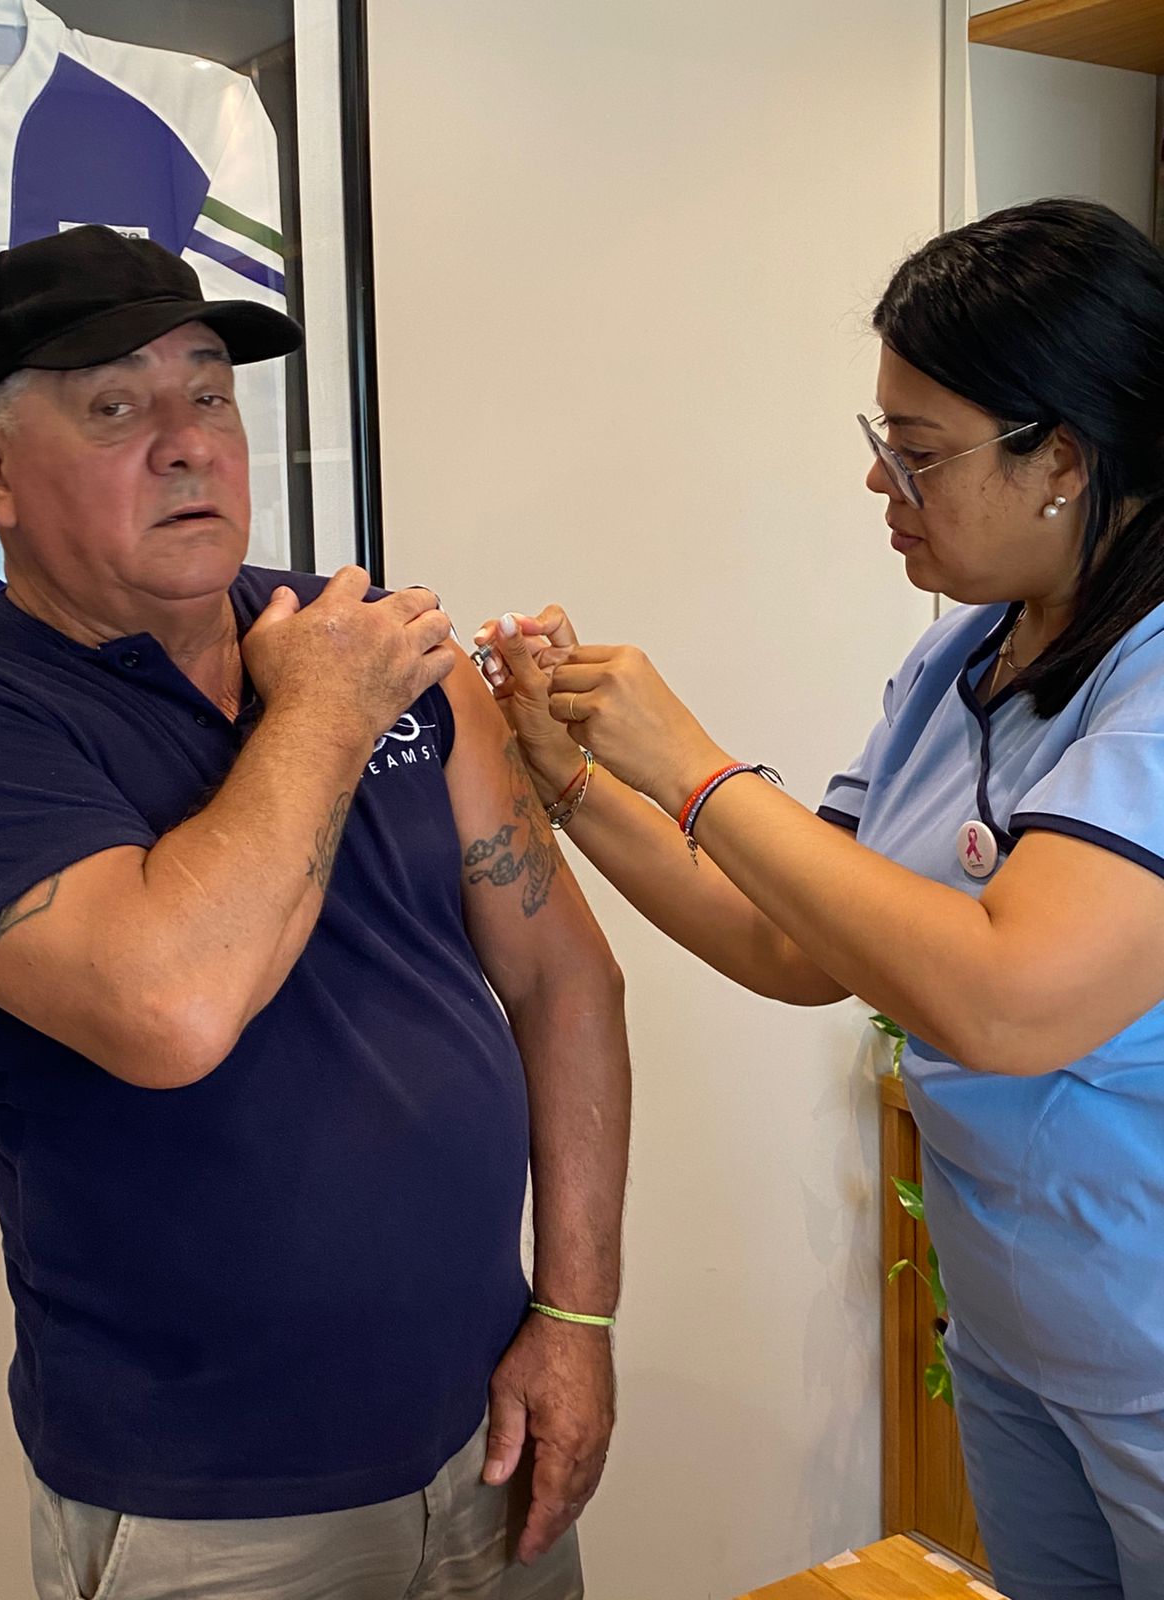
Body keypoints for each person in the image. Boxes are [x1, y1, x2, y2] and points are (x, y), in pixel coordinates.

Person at [477, 198, 1164, 1600]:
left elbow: (1007, 997)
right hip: (1019, 1341)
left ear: (1063, 457)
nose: (879, 483)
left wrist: (692, 764)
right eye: (881, 441)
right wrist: (575, 781)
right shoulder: (959, 662)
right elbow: (796, 941)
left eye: (918, 452)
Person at [0, 226, 630, 1600]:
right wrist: (323, 708)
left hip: (487, 1430)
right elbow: (170, 1008)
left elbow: (564, 981)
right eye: (114, 408)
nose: (189, 444)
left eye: (209, 394)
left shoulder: (377, 642)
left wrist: (576, 1313)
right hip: (204, 1505)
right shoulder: (0, 708)